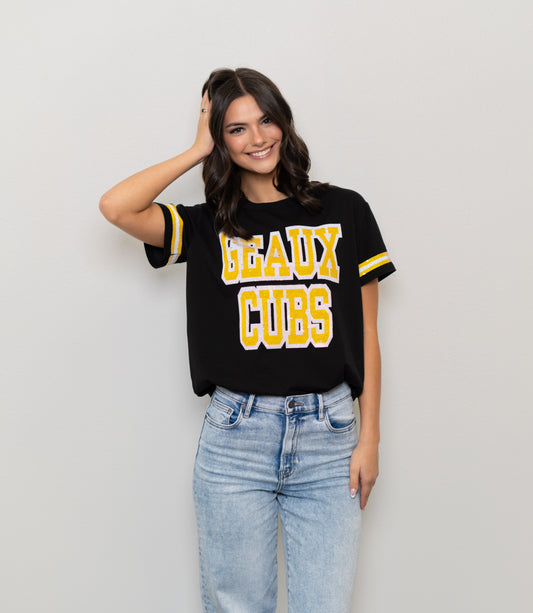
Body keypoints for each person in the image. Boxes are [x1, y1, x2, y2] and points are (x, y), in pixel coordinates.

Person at [99, 67, 396, 613]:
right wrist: (197, 149)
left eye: (265, 121)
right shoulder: (207, 224)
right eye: (236, 129)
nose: (257, 138)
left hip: (330, 437)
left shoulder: (344, 210)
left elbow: (368, 331)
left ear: (283, 122)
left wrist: (370, 436)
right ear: (221, 139)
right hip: (236, 439)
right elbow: (117, 207)